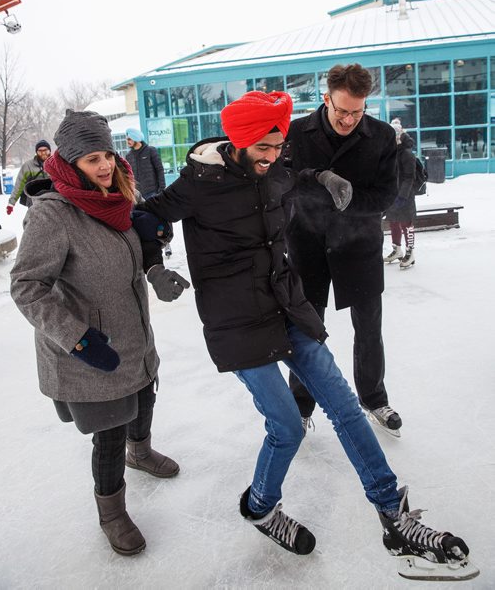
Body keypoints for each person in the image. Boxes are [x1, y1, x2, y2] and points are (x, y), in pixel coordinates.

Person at [131, 91, 476, 580]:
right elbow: (145, 217)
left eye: (278, 146)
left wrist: (322, 175)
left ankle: (393, 516)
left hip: (288, 306)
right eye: (264, 147)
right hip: (237, 320)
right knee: (288, 428)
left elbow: (294, 174)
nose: (273, 156)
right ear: (240, 139)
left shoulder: (274, 168)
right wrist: (153, 265)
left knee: (344, 407)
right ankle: (260, 506)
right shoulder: (198, 183)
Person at [10, 110, 190, 557]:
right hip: (90, 346)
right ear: (70, 164)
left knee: (146, 394)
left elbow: (132, 244)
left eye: (106, 154)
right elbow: (27, 286)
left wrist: (154, 266)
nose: (105, 164)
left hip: (133, 332)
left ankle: (142, 451)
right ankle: (111, 512)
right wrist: (77, 338)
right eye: (92, 159)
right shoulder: (54, 215)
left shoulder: (114, 196)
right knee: (109, 435)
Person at [284, 63, 402, 437]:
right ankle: (299, 407)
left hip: (360, 246)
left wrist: (348, 200)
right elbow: (282, 182)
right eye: (342, 110)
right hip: (307, 245)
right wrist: (321, 184)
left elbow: (386, 194)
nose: (349, 118)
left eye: (357, 111)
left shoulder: (382, 136)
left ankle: (374, 398)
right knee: (307, 331)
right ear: (326, 99)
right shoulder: (296, 132)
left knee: (369, 329)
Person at [126, 127, 171, 256]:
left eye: (129, 138)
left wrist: (161, 189)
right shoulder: (128, 156)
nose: (127, 141)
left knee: (162, 218)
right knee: (145, 222)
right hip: (139, 196)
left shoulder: (150, 151)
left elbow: (159, 170)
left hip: (153, 192)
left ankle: (167, 242)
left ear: (136, 138)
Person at [384, 118, 416, 269]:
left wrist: (402, 196)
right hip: (392, 194)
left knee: (406, 224)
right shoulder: (391, 152)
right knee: (393, 222)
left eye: (396, 136)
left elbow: (410, 177)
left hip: (405, 195)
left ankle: (410, 252)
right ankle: (397, 250)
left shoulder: (407, 154)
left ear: (400, 136)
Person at [6, 139, 52, 214]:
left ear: (50, 151)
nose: (43, 153)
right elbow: (19, 185)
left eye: (46, 151)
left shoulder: (56, 164)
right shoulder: (28, 166)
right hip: (34, 202)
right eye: (40, 151)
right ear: (36, 152)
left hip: (52, 201)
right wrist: (11, 203)